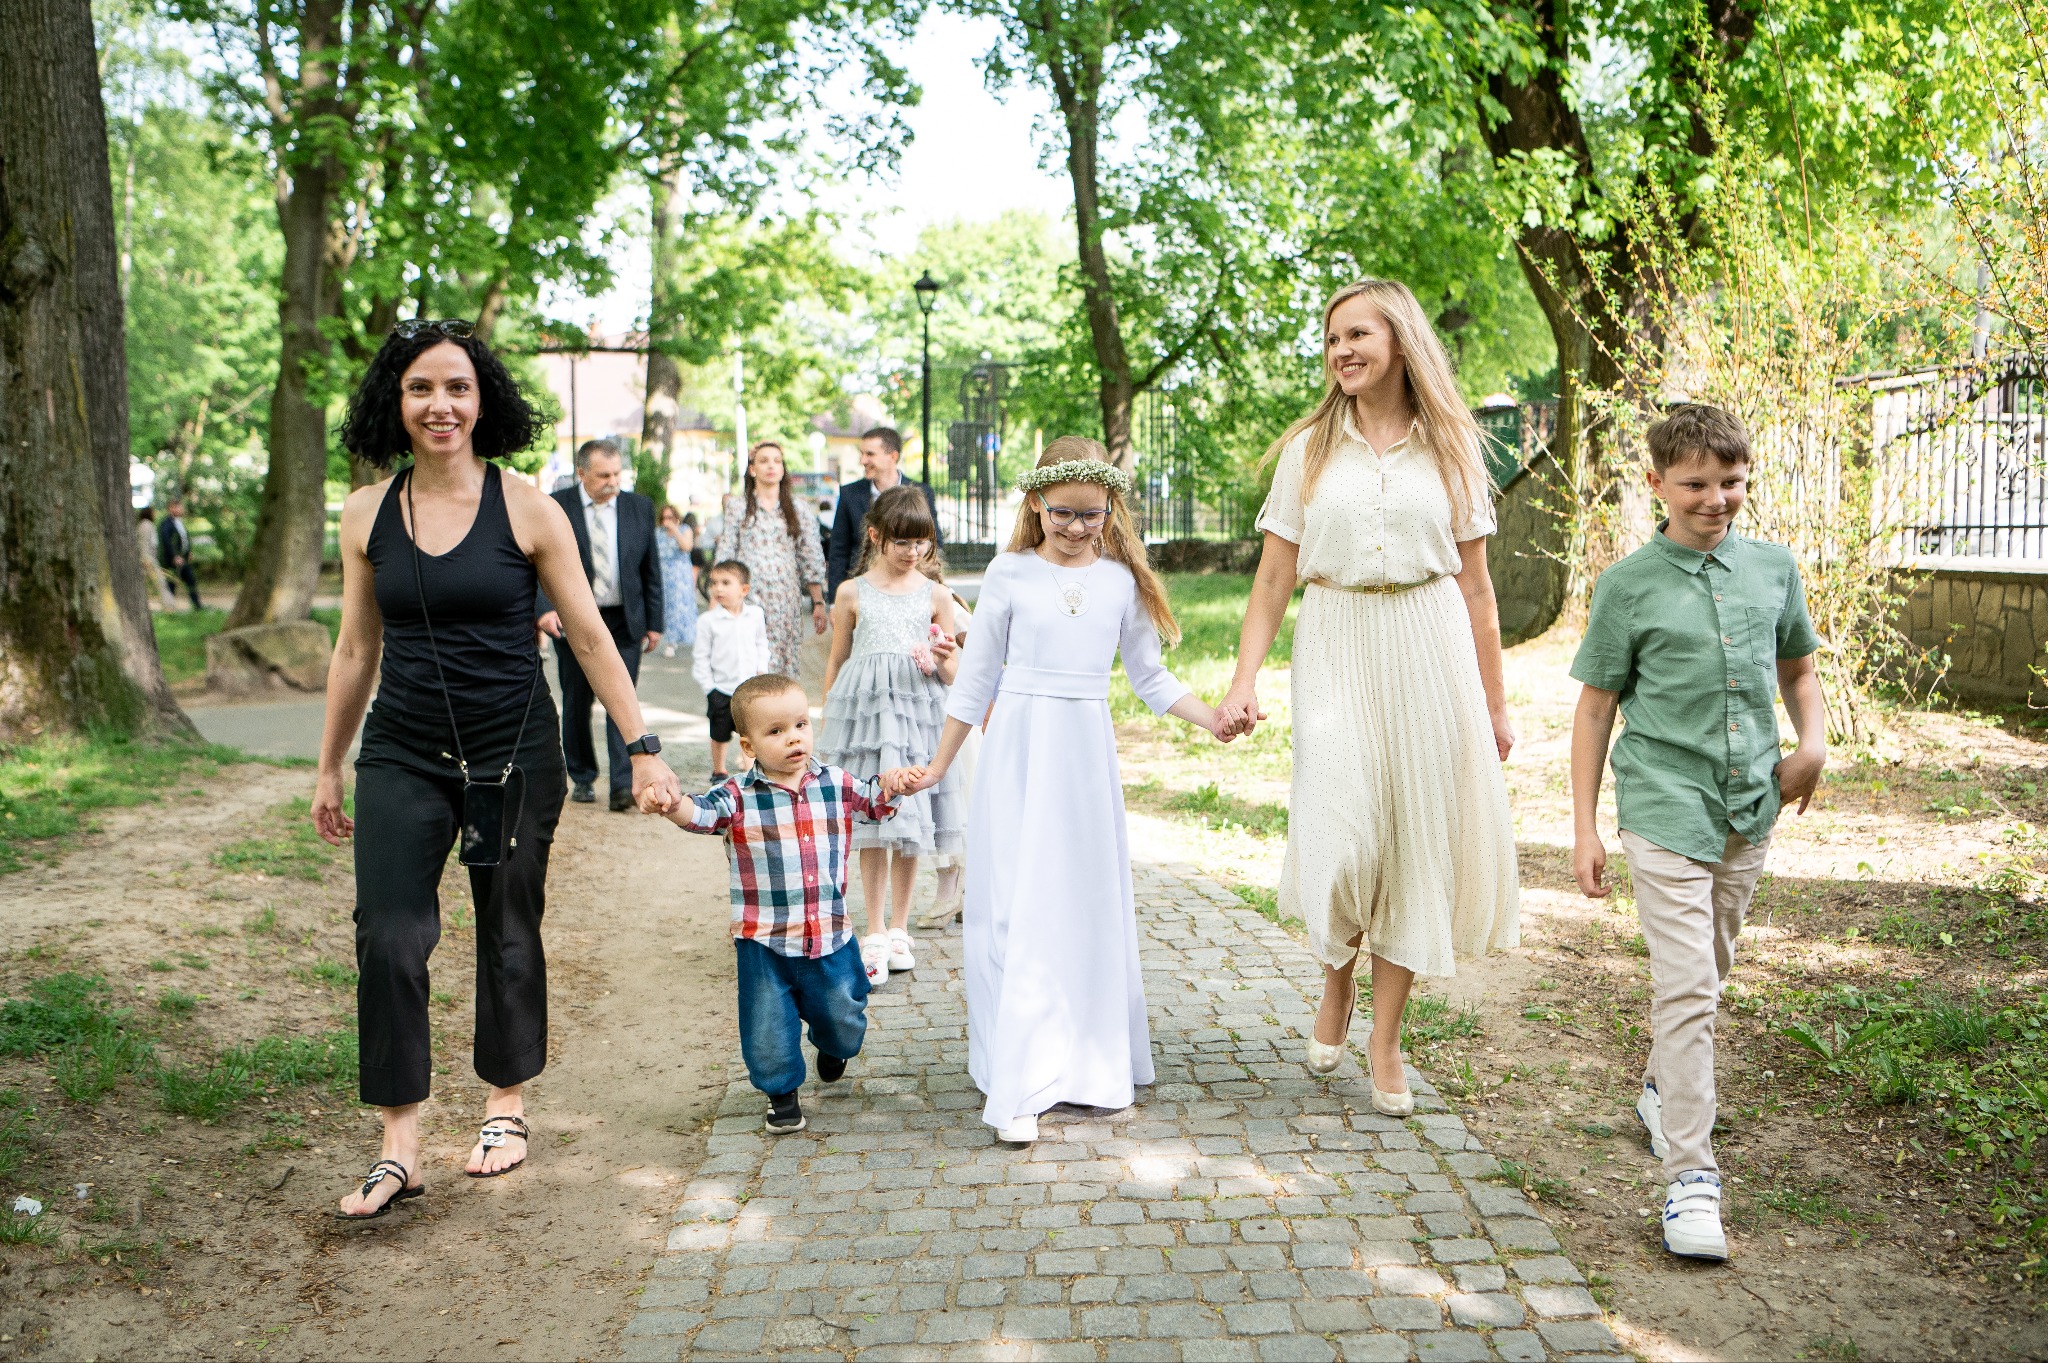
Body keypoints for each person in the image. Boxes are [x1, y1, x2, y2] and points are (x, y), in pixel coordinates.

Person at [312, 318, 681, 1219]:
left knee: (506, 923)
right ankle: (401, 1141)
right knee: (389, 934)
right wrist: (329, 766)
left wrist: (643, 750)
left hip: (510, 754)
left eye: (457, 387)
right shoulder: (365, 511)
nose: (440, 405)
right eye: (420, 389)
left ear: (485, 401)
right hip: (402, 752)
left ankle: (505, 1106)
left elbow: (590, 635)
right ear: (393, 404)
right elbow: (357, 647)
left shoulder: (526, 506)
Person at [1216, 277, 1518, 1116]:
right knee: (1344, 831)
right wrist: (1244, 678)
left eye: (1357, 335)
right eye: (1331, 340)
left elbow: (1481, 593)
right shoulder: (1310, 450)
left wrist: (1494, 706)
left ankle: (1385, 1038)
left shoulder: (1453, 448)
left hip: (1429, 647)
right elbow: (1275, 575)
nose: (1341, 351)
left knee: (1413, 842)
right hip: (1338, 642)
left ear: (1400, 342)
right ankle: (1335, 978)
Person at [904, 439, 1230, 1144]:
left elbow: (1149, 677)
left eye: (1092, 514)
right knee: (1019, 904)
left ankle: (1087, 1062)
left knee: (1082, 903)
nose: (1078, 526)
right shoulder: (1008, 572)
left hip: (1084, 754)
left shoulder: (1119, 582)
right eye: (1063, 513)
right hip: (1019, 750)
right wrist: (936, 767)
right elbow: (977, 680)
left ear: (1110, 508)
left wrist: (1213, 719)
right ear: (1035, 504)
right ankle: (1019, 1075)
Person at [1569, 403, 1826, 1263]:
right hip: (1663, 804)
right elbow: (1596, 707)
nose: (1715, 499)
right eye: (1695, 484)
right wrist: (1584, 827)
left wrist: (1813, 742)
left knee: (1705, 979)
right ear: (1656, 485)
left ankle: (1657, 1088)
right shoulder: (1627, 585)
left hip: (1751, 804)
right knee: (1686, 991)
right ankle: (1690, 1175)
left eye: (1730, 482)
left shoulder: (1773, 568)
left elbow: (1798, 668)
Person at [658, 672, 921, 1134]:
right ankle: (780, 1093)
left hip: (830, 934)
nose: (793, 738)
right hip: (764, 939)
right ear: (749, 746)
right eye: (775, 731)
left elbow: (875, 802)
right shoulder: (738, 795)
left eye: (800, 724)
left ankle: (833, 1045)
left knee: (844, 1016)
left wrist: (894, 784)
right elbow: (699, 815)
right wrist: (670, 802)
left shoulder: (835, 782)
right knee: (766, 1023)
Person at [819, 485, 965, 986]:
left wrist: (945, 659)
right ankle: (875, 929)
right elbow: (838, 658)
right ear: (877, 536)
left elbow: (953, 674)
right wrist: (827, 717)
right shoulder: (851, 592)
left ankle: (901, 927)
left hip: (919, 717)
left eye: (921, 542)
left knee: (910, 822)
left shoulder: (937, 594)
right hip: (865, 720)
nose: (913, 553)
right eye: (902, 542)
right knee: (873, 820)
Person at [535, 438, 663, 812]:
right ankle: (583, 777)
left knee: (620, 697)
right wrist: (544, 610)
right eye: (603, 475)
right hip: (572, 618)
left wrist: (654, 622)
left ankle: (624, 783)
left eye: (617, 474)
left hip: (625, 619)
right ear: (581, 473)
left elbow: (650, 570)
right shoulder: (556, 507)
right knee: (576, 700)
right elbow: (534, 565)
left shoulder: (639, 507)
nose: (612, 481)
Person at [712, 441, 827, 679]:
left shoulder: (798, 508)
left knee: (782, 665)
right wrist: (718, 596)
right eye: (763, 461)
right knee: (749, 661)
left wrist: (818, 602)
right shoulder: (738, 507)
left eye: (777, 461)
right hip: (748, 597)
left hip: (785, 601)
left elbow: (810, 556)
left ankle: (780, 715)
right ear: (752, 468)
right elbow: (726, 552)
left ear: (783, 468)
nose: (771, 466)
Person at [826, 427, 941, 600]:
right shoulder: (849, 494)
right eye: (862, 453)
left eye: (870, 454)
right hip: (861, 592)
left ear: (892, 456)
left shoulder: (922, 493)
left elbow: (935, 541)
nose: (863, 460)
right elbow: (838, 550)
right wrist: (835, 601)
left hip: (910, 590)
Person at [692, 560, 773, 780]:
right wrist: (710, 688)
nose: (718, 588)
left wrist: (761, 671)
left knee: (748, 731)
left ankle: (749, 771)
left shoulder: (755, 615)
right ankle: (719, 770)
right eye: (714, 583)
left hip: (747, 688)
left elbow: (761, 643)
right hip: (720, 688)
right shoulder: (708, 621)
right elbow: (701, 656)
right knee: (719, 732)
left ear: (744, 590)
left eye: (726, 583)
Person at [655, 503, 700, 657]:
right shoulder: (657, 533)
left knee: (678, 607)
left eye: (671, 517)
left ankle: (672, 641)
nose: (667, 520)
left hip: (679, 575)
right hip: (662, 574)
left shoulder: (684, 530)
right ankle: (665, 638)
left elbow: (687, 547)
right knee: (664, 607)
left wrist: (674, 530)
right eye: (665, 518)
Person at [157, 498, 203, 611]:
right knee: (171, 583)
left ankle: (197, 605)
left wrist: (188, 552)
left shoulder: (180, 522)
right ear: (170, 508)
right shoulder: (166, 524)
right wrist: (174, 556)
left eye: (179, 507)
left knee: (190, 580)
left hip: (184, 559)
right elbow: (167, 541)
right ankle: (169, 607)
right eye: (176, 507)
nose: (179, 509)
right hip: (173, 560)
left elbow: (184, 539)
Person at [137, 507, 176, 608]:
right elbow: (144, 543)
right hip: (148, 559)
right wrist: (146, 559)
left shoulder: (149, 525)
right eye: (153, 512)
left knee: (157, 582)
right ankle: (168, 604)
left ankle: (168, 604)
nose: (155, 514)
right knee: (159, 582)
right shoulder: (145, 525)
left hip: (151, 557)